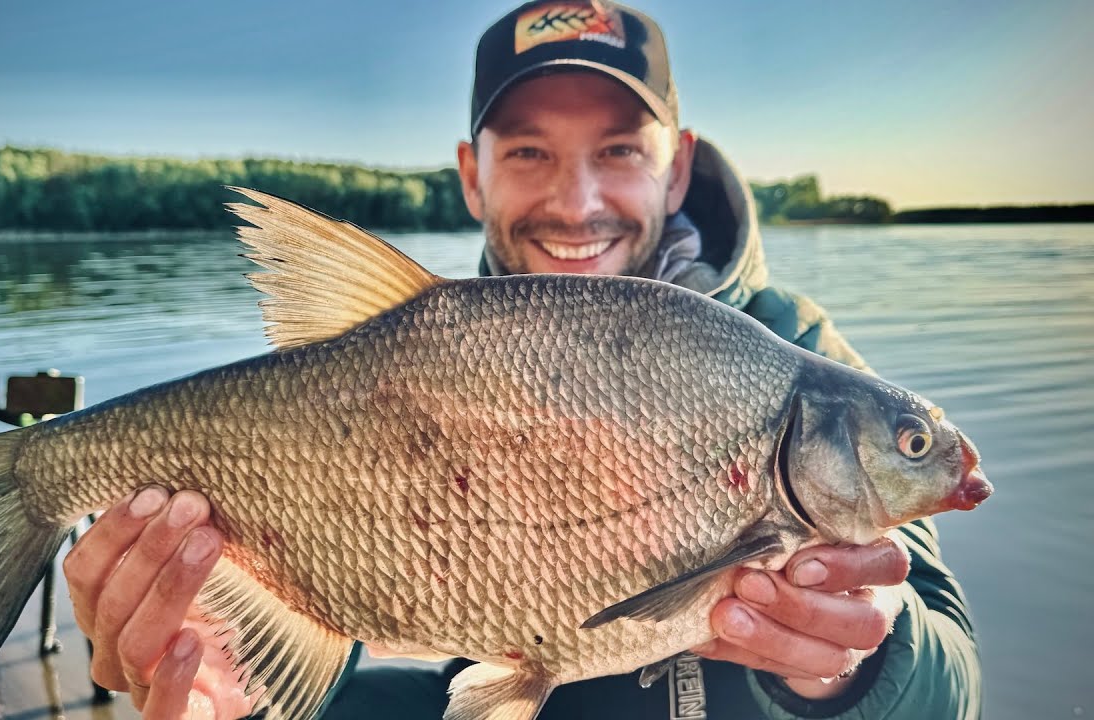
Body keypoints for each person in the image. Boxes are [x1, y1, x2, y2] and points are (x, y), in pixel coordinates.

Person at [62, 2, 983, 717]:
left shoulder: (796, 353)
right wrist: (244, 690)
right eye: (531, 151)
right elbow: (379, 674)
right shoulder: (383, 365)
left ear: (676, 166)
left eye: (618, 150)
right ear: (472, 174)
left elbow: (953, 687)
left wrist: (854, 663)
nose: (575, 203)